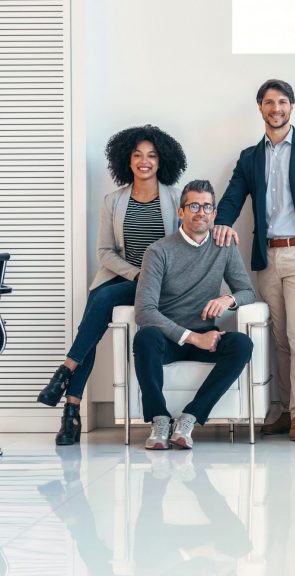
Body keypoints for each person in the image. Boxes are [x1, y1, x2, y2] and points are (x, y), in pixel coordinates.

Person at [36, 125, 186, 445]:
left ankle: (65, 377)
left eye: (151, 155)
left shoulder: (176, 198)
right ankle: (72, 407)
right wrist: (134, 273)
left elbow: (183, 247)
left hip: (160, 283)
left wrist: (149, 275)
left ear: (162, 161)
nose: (144, 161)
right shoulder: (113, 200)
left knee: (101, 301)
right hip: (125, 277)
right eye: (137, 155)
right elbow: (105, 251)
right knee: (96, 307)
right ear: (126, 160)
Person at [213, 79, 295, 442]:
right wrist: (222, 222)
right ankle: (287, 410)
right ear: (260, 108)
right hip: (267, 256)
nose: (276, 108)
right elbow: (232, 198)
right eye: (269, 102)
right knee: (280, 339)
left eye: (282, 102)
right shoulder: (250, 157)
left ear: (292, 106)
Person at [134, 180, 256, 450]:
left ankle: (190, 417)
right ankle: (159, 419)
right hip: (168, 338)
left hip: (206, 337)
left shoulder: (223, 247)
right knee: (144, 338)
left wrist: (228, 299)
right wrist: (191, 337)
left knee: (242, 345)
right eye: (194, 206)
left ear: (214, 213)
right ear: (181, 212)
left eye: (207, 206)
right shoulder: (159, 251)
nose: (201, 212)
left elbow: (248, 291)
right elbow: (144, 311)